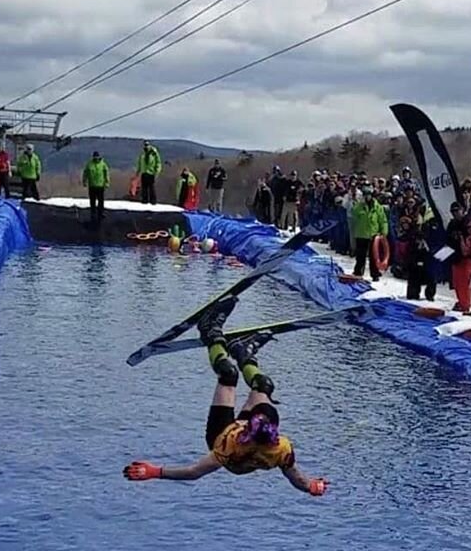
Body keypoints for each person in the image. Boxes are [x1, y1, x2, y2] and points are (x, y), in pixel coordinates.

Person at [123, 298, 329, 495]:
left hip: (220, 432)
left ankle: (210, 330)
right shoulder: (283, 448)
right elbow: (298, 479)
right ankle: (243, 351)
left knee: (228, 375)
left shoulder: (229, 447)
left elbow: (194, 472)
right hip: (249, 440)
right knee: (264, 386)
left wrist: (155, 472)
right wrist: (311, 486)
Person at [351, 186, 388, 281]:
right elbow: (354, 215)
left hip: (373, 234)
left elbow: (382, 220)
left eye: (368, 195)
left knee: (374, 256)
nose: (367, 197)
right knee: (361, 256)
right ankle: (358, 272)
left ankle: (375, 273)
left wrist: (384, 232)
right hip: (361, 234)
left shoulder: (377, 207)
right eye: (365, 195)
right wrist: (360, 205)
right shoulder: (359, 206)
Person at [82, 152, 110, 222]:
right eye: (95, 157)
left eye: (97, 156)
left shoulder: (103, 164)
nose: (96, 158)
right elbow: (85, 173)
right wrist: (84, 181)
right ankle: (93, 213)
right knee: (92, 200)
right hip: (92, 185)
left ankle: (101, 213)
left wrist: (107, 182)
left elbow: (106, 173)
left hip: (100, 185)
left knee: (101, 200)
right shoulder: (89, 164)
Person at [134, 140, 162, 205]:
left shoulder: (154, 154)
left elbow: (158, 163)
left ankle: (153, 201)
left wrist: (157, 171)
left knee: (151, 187)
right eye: (145, 145)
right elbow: (140, 163)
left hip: (151, 173)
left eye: (147, 145)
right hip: (144, 172)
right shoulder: (142, 154)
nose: (146, 146)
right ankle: (144, 200)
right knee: (144, 188)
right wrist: (138, 172)